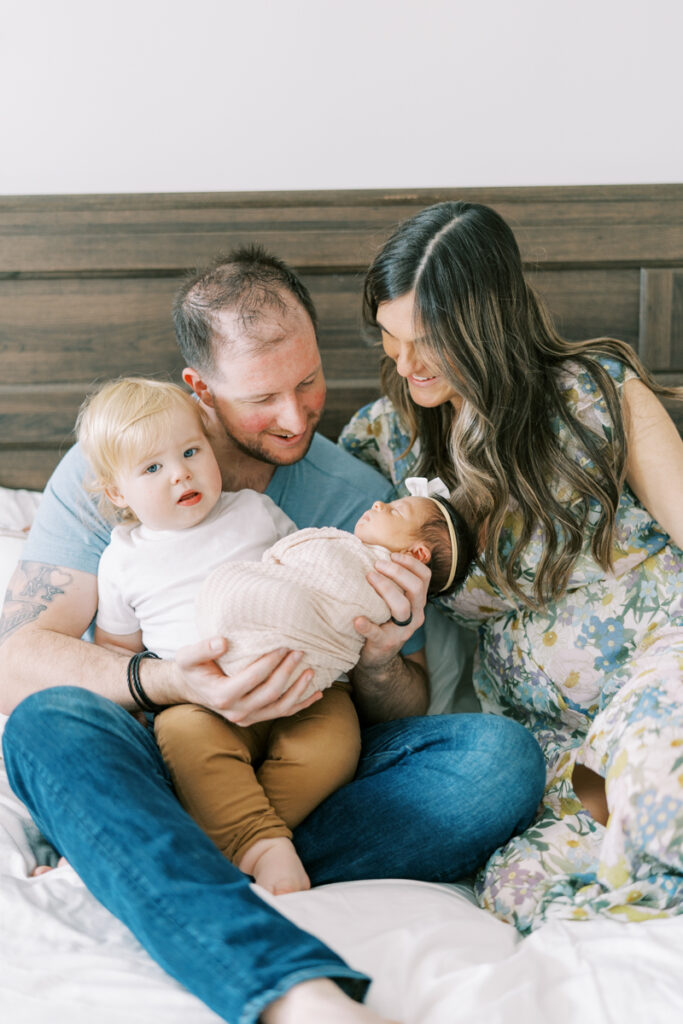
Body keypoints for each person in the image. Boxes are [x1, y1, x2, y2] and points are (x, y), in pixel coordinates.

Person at [0, 245, 545, 1024]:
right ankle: (293, 988)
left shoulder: (352, 494)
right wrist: (169, 681)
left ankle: (151, 856)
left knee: (498, 761)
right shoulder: (120, 469)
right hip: (167, 738)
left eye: (308, 382)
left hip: (306, 747)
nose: (294, 418)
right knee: (47, 723)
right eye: (262, 397)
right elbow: (15, 659)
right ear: (201, 390)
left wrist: (379, 657)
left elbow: (406, 711)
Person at [340, 199, 683, 935]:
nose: (406, 363)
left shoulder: (595, 393)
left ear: (486, 322)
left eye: (428, 341)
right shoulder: (390, 437)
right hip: (548, 739)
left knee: (660, 789)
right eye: (390, 338)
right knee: (517, 888)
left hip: (664, 671)